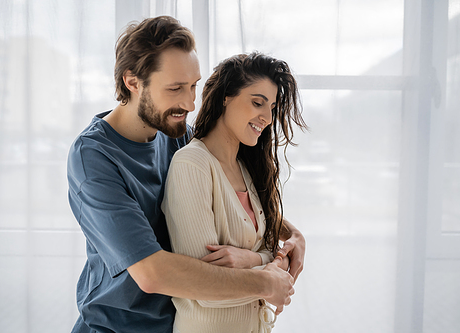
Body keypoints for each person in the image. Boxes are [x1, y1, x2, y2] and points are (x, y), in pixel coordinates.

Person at [67, 16, 304, 333]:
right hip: (117, 327)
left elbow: (231, 195)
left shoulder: (175, 132)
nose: (190, 103)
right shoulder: (93, 158)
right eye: (176, 88)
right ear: (132, 82)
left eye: (193, 86)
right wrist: (263, 281)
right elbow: (152, 273)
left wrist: (290, 233)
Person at [162, 52, 307, 333]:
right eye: (257, 102)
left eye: (273, 107)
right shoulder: (192, 164)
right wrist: (269, 269)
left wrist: (252, 259)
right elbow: (203, 288)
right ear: (226, 97)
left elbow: (267, 247)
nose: (267, 117)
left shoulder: (246, 167)